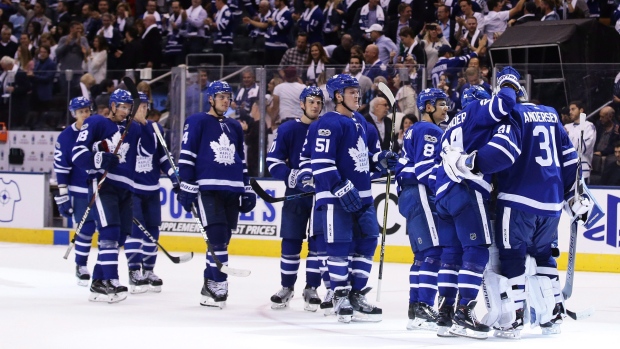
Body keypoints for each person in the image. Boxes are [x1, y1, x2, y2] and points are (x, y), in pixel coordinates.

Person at [434, 68, 523, 339]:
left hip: (442, 194)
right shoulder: (476, 111)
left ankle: (445, 314)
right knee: (477, 251)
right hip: (467, 190)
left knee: (452, 253)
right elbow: (506, 102)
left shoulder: (450, 124)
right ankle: (464, 312)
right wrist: (508, 80)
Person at [489, 80, 580, 339]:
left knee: (512, 255)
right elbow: (571, 159)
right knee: (542, 254)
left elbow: (501, 153)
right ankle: (553, 315)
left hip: (518, 198)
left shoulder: (512, 114)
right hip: (551, 203)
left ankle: (515, 318)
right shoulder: (551, 113)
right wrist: (566, 193)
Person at [308, 74, 398, 323]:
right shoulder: (327, 123)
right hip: (336, 197)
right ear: (338, 95)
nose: (357, 95)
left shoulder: (361, 122)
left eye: (357, 91)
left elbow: (367, 158)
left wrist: (381, 161)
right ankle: (339, 294)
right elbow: (321, 164)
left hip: (364, 196)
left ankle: (356, 293)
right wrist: (339, 186)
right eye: (351, 92)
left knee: (368, 240)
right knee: (339, 245)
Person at [177, 81, 256, 308]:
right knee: (218, 237)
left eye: (228, 97)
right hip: (208, 188)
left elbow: (240, 160)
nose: (225, 100)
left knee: (223, 239)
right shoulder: (196, 121)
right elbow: (187, 156)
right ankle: (219, 282)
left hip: (232, 189)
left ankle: (209, 282)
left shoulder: (235, 126)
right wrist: (188, 186)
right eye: (220, 96)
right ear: (210, 99)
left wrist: (247, 188)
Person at [395, 88, 457, 332]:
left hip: (410, 196)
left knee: (422, 255)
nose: (446, 108)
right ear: (428, 107)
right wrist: (446, 186)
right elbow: (424, 171)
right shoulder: (430, 131)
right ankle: (424, 307)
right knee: (434, 252)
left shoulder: (414, 130)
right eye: (441, 104)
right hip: (421, 195)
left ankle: (415, 308)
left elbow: (401, 168)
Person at [72, 88, 141, 303]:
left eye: (129, 107)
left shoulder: (133, 129)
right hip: (104, 185)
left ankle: (98, 281)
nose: (126, 111)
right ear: (111, 106)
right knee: (109, 232)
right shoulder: (95, 123)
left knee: (120, 236)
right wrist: (99, 159)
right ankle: (111, 279)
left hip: (126, 187)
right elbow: (78, 153)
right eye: (122, 106)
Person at [266, 86, 325, 311]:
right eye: (311, 101)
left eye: (319, 102)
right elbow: (273, 161)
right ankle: (287, 287)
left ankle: (312, 287)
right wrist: (293, 176)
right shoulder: (288, 129)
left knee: (317, 244)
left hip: (320, 196)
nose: (315, 105)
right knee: (291, 241)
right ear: (302, 104)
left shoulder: (327, 128)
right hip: (296, 194)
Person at [124, 92, 179, 293]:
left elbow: (164, 156)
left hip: (152, 189)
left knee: (153, 230)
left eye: (145, 107)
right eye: (139, 107)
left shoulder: (155, 128)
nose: (143, 110)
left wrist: (174, 175)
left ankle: (148, 269)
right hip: (132, 189)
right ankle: (133, 270)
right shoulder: (125, 129)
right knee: (136, 231)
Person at [54, 97, 96, 287]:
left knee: (107, 229)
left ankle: (106, 269)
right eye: (81, 112)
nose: (85, 115)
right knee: (85, 228)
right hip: (79, 190)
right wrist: (63, 195)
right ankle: (81, 265)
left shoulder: (97, 130)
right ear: (74, 114)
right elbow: (62, 168)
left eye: (87, 111)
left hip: (100, 188)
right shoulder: (65, 137)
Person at [565, 100, 596, 183]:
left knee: (581, 195)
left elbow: (582, 149)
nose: (570, 112)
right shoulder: (566, 127)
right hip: (567, 168)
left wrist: (566, 139)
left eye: (573, 109)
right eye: (570, 110)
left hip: (583, 168)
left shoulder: (589, 126)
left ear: (581, 110)